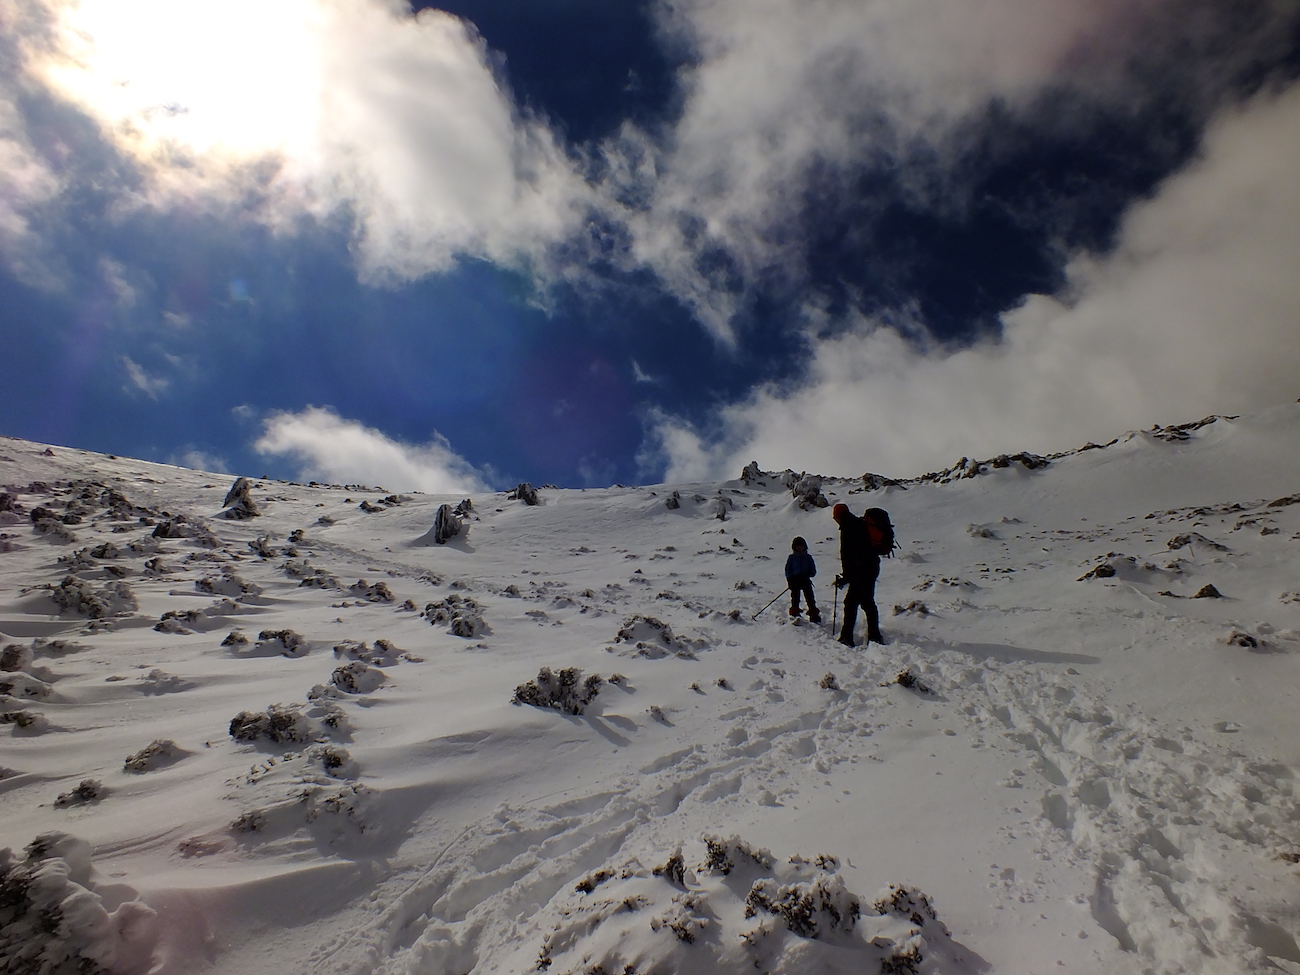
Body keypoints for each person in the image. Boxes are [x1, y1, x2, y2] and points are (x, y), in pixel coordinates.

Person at [832, 503, 883, 647]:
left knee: (850, 603)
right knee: (867, 602)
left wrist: (846, 576)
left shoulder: (848, 527)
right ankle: (874, 636)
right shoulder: (859, 523)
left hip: (861, 571)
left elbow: (847, 555)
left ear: (838, 516)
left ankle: (847, 637)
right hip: (871, 567)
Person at [784, 536, 820, 623]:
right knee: (795, 597)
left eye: (801, 546)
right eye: (797, 546)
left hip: (805, 580)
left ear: (804, 546)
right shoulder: (791, 558)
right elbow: (788, 570)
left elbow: (813, 570)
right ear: (794, 547)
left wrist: (808, 574)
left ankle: (813, 614)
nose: (799, 548)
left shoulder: (808, 557)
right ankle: (795, 612)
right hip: (794, 580)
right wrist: (790, 579)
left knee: (810, 597)